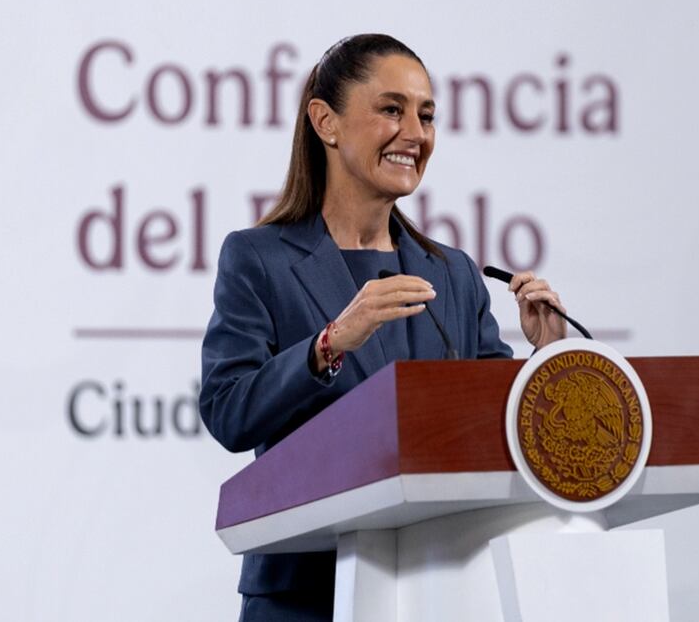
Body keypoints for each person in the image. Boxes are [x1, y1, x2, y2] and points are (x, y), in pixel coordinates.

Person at [198, 33, 569, 622]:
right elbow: (227, 411)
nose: (416, 134)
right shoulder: (259, 258)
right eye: (392, 110)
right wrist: (328, 344)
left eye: (427, 116)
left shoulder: (453, 274)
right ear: (326, 122)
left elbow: (494, 429)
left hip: (439, 587)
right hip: (305, 594)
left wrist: (545, 362)